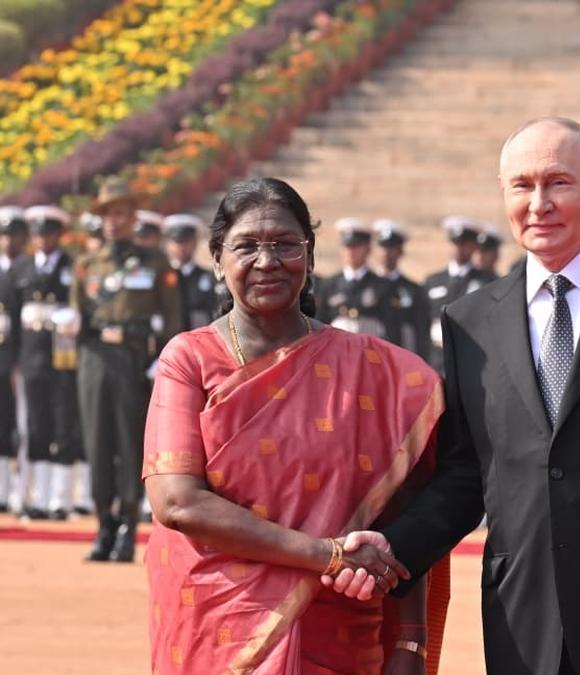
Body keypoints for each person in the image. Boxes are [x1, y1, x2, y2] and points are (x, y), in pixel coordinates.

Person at [328, 117, 580, 675]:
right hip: (522, 622)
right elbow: (467, 476)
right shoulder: (470, 322)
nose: (539, 203)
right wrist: (391, 548)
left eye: (559, 183)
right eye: (522, 185)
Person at [140, 177, 447, 674]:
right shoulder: (190, 359)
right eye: (246, 246)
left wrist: (409, 643)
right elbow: (176, 501)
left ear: (309, 254)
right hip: (219, 623)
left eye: (285, 244)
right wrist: (325, 555)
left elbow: (401, 508)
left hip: (341, 623)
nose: (267, 261)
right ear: (217, 259)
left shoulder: (374, 372)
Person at [71, 177, 182, 562]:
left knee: (131, 445)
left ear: (134, 218)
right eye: (108, 215)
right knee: (97, 444)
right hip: (95, 360)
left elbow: (172, 319)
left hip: (135, 361)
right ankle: (103, 526)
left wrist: (160, 363)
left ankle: (127, 530)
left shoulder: (155, 263)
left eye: (120, 214)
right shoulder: (87, 265)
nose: (114, 222)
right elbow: (77, 318)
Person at [14, 206, 82, 520]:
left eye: (50, 233)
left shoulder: (72, 266)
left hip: (64, 355)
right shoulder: (23, 268)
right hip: (32, 354)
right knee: (37, 425)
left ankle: (60, 499)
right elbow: (15, 317)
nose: (44, 239)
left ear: (59, 235)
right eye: (39, 234)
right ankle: (39, 498)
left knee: (63, 424)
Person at [422, 216, 492, 373]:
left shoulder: (487, 282)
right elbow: (422, 321)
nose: (459, 248)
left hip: (473, 360)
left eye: (464, 243)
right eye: (455, 243)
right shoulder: (433, 281)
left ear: (474, 246)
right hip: (436, 360)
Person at [316, 217, 399, 342]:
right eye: (347, 247)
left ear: (367, 250)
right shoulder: (329, 285)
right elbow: (320, 324)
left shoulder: (382, 285)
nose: (351, 252)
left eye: (356, 247)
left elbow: (391, 328)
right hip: (337, 349)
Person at [375, 218, 431, 360]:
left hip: (400, 356)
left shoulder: (412, 289)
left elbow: (420, 330)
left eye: (391, 248)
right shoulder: (369, 284)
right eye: (383, 247)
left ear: (400, 251)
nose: (386, 253)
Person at [0, 207, 24, 513]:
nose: (9, 241)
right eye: (4, 235)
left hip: (25, 361)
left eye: (14, 234)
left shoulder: (26, 269)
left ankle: (20, 492)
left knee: (26, 429)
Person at [164, 213, 218, 332]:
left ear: (195, 242)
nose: (181, 247)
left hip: (198, 338)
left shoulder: (208, 277)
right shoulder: (162, 276)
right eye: (177, 242)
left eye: (186, 241)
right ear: (168, 244)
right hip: (167, 340)